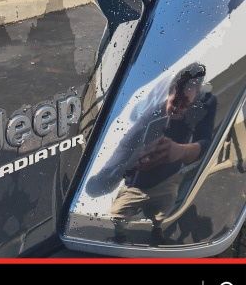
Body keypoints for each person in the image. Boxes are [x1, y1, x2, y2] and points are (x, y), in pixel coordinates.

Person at [89, 63, 216, 244]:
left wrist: (181, 151)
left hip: (167, 181)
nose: (177, 108)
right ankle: (120, 236)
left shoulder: (202, 108)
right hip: (138, 183)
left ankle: (157, 231)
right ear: (169, 93)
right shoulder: (152, 116)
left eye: (184, 104)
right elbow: (125, 147)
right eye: (175, 101)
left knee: (161, 214)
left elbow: (206, 142)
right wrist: (106, 177)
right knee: (118, 213)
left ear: (194, 100)